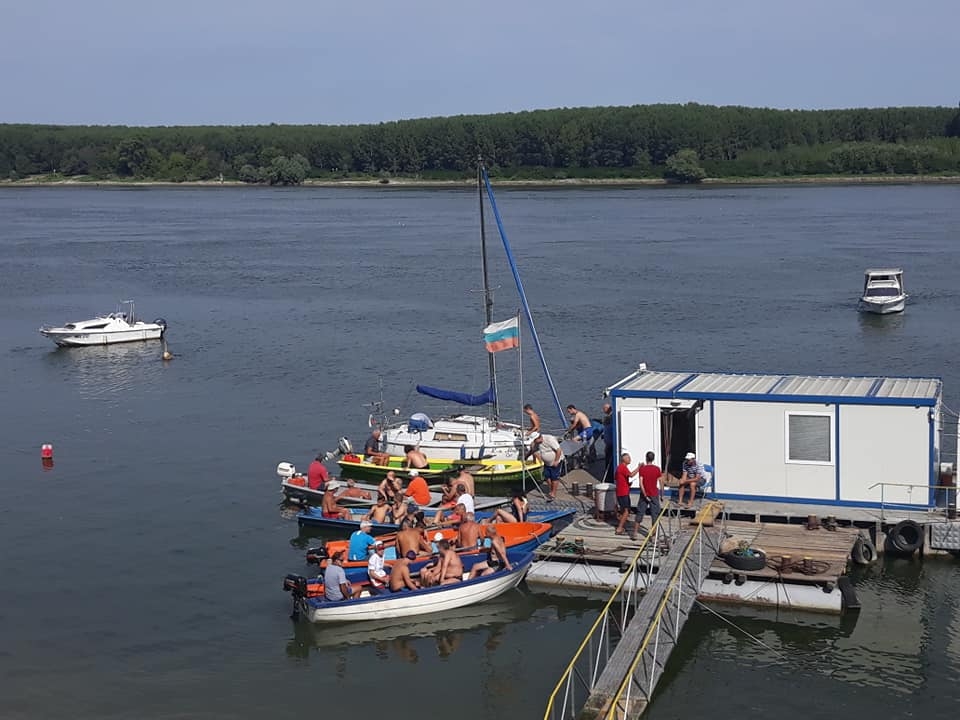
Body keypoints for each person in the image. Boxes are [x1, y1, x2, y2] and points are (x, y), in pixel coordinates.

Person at [527, 431, 563, 501]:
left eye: (535, 440)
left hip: (556, 460)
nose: (535, 442)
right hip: (546, 463)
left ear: (539, 437)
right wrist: (526, 457)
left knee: (554, 477)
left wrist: (556, 461)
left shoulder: (549, 439)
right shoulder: (535, 443)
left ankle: (553, 493)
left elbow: (559, 450)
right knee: (546, 476)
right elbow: (533, 451)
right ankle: (551, 488)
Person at [614, 452, 640, 539]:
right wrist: (639, 468)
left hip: (620, 492)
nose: (630, 459)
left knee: (623, 510)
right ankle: (619, 528)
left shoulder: (619, 468)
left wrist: (627, 483)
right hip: (623, 492)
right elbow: (631, 475)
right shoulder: (623, 467)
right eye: (628, 458)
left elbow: (617, 478)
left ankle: (621, 524)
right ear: (624, 459)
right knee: (627, 510)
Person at [636, 451, 663, 526]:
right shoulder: (657, 469)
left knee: (640, 512)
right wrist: (662, 494)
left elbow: (641, 483)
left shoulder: (642, 469)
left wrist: (645, 494)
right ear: (653, 459)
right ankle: (653, 532)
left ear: (646, 458)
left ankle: (635, 531)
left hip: (644, 494)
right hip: (654, 493)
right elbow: (661, 482)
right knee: (655, 514)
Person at [601, 403, 614, 476]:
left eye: (604, 409)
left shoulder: (611, 417)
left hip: (610, 443)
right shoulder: (609, 417)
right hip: (608, 442)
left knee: (609, 459)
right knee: (608, 458)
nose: (603, 410)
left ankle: (609, 475)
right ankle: (608, 474)